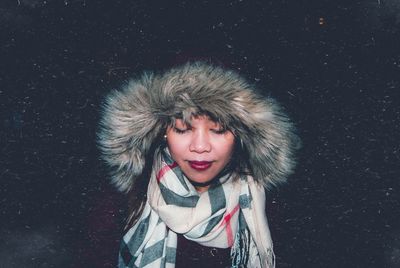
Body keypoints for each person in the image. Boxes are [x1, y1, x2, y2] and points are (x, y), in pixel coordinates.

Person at [98, 61, 300, 267]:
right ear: (163, 132)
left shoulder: (275, 212)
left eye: (219, 129)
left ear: (240, 135)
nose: (200, 146)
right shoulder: (117, 208)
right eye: (183, 128)